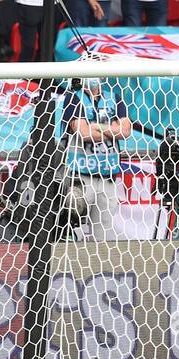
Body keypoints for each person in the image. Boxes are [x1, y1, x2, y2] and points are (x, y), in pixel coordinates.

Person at [59, 76, 131, 241]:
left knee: (103, 233)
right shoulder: (74, 97)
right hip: (81, 175)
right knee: (73, 224)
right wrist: (113, 130)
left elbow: (126, 131)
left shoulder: (114, 97)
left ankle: (99, 266)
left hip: (107, 176)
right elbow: (84, 133)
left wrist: (98, 126)